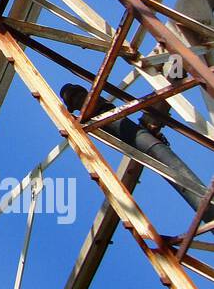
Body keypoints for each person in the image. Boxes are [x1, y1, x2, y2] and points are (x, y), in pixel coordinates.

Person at [60, 83, 207, 211]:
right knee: (155, 150)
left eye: (78, 95)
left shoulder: (94, 108)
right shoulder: (88, 116)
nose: (79, 98)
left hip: (115, 121)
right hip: (114, 124)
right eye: (74, 98)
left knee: (156, 150)